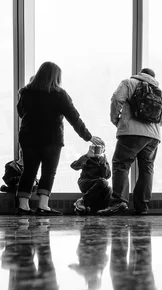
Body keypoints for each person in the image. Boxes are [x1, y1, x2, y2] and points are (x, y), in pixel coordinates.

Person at [15, 61, 104, 216]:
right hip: (51, 139)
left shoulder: (25, 92)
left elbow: (21, 112)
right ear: (56, 77)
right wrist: (88, 137)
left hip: (28, 137)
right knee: (48, 172)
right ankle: (43, 206)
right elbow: (74, 117)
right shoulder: (59, 94)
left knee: (29, 171)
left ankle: (23, 206)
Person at [98, 68, 162, 216]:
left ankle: (119, 202)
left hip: (130, 133)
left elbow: (117, 99)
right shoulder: (158, 92)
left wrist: (116, 120)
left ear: (140, 74)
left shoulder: (129, 83)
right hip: (153, 137)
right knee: (146, 169)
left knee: (121, 164)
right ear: (153, 77)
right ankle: (142, 207)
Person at [70, 144, 112, 215]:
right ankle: (83, 201)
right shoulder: (87, 158)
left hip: (98, 185)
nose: (97, 150)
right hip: (85, 182)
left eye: (99, 148)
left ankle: (99, 210)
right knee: (104, 182)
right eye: (94, 147)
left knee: (108, 188)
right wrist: (87, 155)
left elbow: (107, 176)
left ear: (103, 150)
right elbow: (74, 166)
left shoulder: (103, 160)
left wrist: (103, 165)